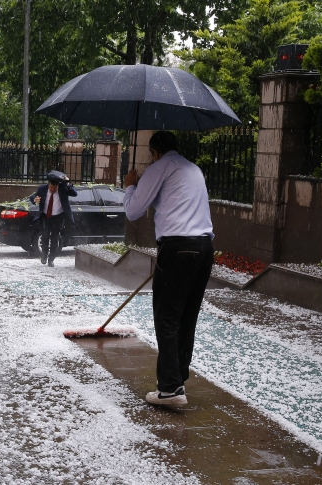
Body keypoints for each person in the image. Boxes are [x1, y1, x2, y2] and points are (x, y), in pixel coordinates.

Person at [123, 131, 214, 407]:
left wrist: (130, 185)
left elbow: (133, 210)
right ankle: (177, 379)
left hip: (177, 248)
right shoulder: (193, 169)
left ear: (155, 152)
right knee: (186, 317)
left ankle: (170, 389)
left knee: (167, 317)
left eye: (151, 154)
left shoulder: (159, 167)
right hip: (204, 249)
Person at [30, 171, 77, 267]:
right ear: (48, 184)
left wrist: (68, 182)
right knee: (45, 236)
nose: (52, 190)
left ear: (58, 186)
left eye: (55, 188)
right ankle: (44, 255)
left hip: (58, 217)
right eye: (51, 187)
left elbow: (74, 193)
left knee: (55, 238)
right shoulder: (42, 189)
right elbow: (33, 197)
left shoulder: (63, 189)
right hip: (45, 216)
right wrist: (35, 200)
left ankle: (51, 259)